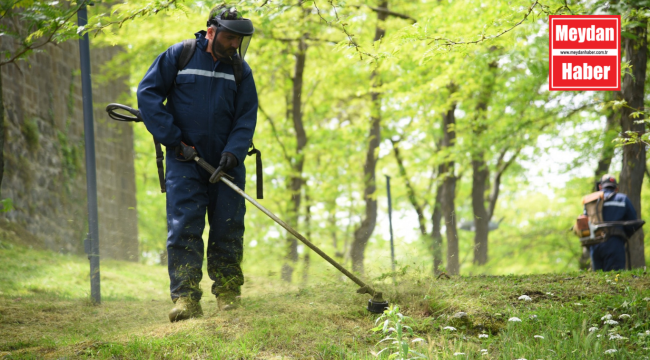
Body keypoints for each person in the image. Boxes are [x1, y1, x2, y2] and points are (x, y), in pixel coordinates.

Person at [136, 5, 258, 322]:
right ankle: (186, 299)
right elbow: (148, 95)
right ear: (212, 31)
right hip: (184, 160)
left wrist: (233, 152)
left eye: (239, 40)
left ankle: (228, 296)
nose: (235, 45)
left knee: (228, 229)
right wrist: (174, 139)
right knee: (185, 229)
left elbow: (246, 117)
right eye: (231, 38)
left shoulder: (241, 71)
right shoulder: (180, 55)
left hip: (226, 164)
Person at [586, 174, 638, 272]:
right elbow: (633, 222)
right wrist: (624, 234)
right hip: (615, 242)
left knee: (598, 280)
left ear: (600, 187)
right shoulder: (622, 199)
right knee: (615, 277)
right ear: (616, 188)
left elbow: (585, 221)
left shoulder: (591, 200)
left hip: (595, 243)